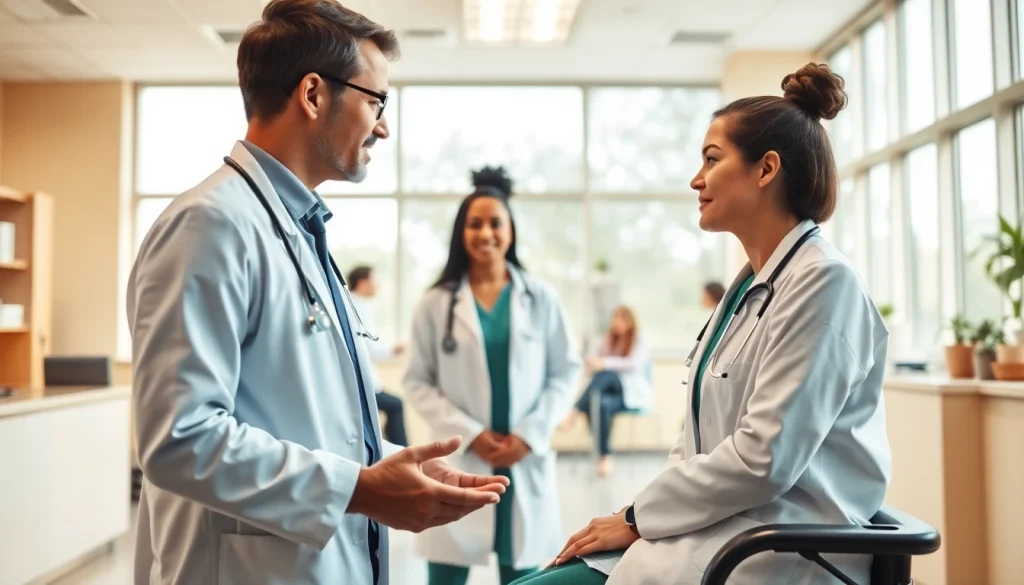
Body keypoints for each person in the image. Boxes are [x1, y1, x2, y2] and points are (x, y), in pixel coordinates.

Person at [126, 3, 508, 585]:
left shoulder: (294, 227)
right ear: (312, 94)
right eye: (376, 102)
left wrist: (387, 467)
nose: (384, 126)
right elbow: (180, 439)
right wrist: (359, 488)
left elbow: (297, 413)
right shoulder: (211, 225)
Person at [511, 62, 892, 585]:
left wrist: (635, 518)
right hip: (716, 532)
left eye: (712, 160)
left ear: (766, 170)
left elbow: (764, 460)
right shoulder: (747, 288)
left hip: (778, 551)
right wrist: (641, 517)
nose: (696, 179)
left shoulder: (825, 284)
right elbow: (694, 442)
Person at [403, 166, 583, 585]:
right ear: (460, 233)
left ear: (511, 230)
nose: (486, 233)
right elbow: (417, 380)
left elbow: (565, 370)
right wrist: (469, 433)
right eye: (475, 224)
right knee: (446, 574)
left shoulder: (541, 298)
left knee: (524, 574)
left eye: (495, 223)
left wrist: (529, 434)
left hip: (523, 458)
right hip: (463, 455)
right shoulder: (436, 303)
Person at [563, 305, 652, 477]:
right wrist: (592, 364)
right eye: (614, 319)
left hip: (629, 393)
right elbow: (595, 369)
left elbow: (633, 365)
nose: (616, 323)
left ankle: (575, 411)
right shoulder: (608, 340)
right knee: (600, 404)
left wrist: (604, 363)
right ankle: (605, 457)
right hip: (609, 395)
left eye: (620, 319)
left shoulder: (640, 339)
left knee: (608, 372)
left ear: (630, 321)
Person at [347, 264, 409, 446]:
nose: (378, 286)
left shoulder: (358, 304)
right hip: (359, 384)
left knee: (392, 406)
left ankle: (397, 451)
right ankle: (402, 452)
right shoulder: (356, 306)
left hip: (364, 381)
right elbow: (367, 348)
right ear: (363, 282)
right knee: (395, 405)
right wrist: (392, 351)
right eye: (375, 281)